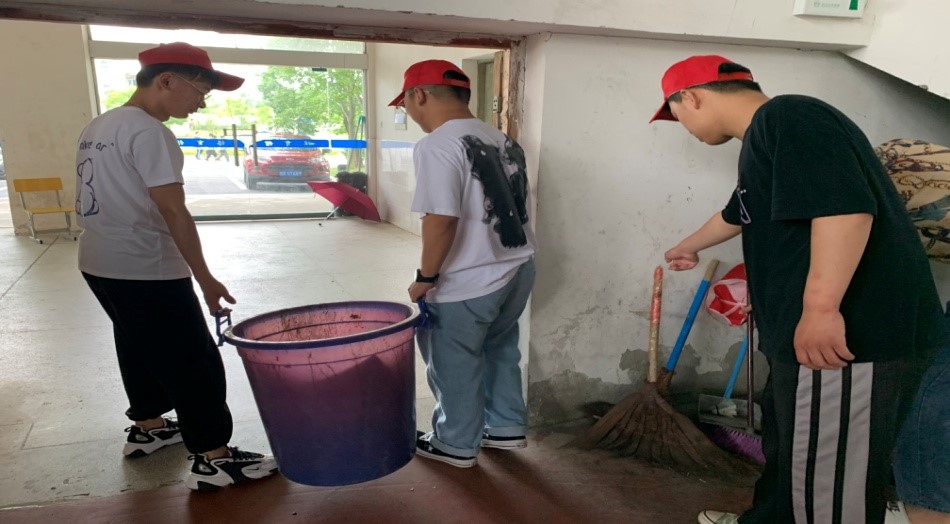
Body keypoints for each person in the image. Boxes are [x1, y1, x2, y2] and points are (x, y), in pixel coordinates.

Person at [652, 55, 946, 524]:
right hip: (807, 334)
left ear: (691, 97)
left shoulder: (790, 118)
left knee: (828, 481)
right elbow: (737, 213)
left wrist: (821, 309)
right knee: (793, 456)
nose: (683, 126)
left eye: (676, 114)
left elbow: (845, 211)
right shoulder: (767, 138)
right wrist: (686, 246)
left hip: (848, 335)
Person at [74, 42, 277, 491]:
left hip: (99, 260)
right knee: (193, 360)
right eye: (200, 89)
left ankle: (149, 425)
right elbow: (174, 212)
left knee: (136, 342)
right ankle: (215, 458)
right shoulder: (149, 132)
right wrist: (207, 280)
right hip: (145, 265)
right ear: (166, 80)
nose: (202, 101)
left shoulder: (100, 124)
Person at [390, 60, 537, 468]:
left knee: (453, 360)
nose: (409, 112)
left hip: (470, 278)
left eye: (405, 103)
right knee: (500, 349)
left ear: (419, 95)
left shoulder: (437, 144)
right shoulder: (503, 139)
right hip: (517, 268)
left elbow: (441, 219)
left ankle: (455, 442)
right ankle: (506, 426)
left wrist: (426, 277)